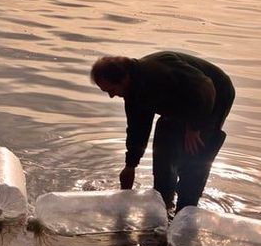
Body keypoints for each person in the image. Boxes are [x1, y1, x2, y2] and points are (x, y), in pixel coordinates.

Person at [91, 51, 234, 211]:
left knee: (194, 154)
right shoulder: (132, 92)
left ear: (124, 78)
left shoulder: (157, 73)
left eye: (111, 89)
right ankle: (164, 202)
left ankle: (187, 206)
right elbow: (138, 128)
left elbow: (205, 87)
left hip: (213, 96)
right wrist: (130, 165)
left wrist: (194, 127)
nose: (111, 96)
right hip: (178, 103)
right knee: (163, 149)